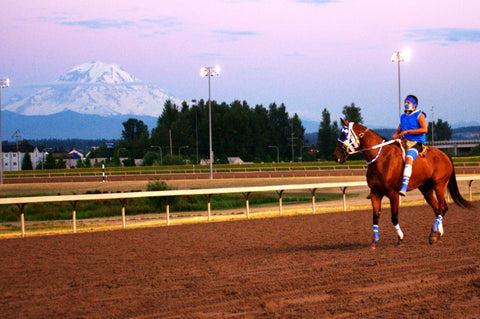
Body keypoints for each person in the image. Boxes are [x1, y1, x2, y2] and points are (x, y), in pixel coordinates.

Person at [392, 94, 428, 196]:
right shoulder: (403, 116)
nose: (406, 104)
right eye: (405, 102)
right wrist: (395, 135)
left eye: (408, 103)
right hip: (403, 142)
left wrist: (408, 131)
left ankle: (404, 186)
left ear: (414, 105)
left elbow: (425, 129)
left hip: (416, 143)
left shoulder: (419, 115)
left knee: (408, 157)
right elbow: (399, 130)